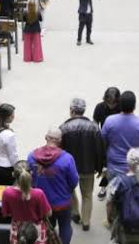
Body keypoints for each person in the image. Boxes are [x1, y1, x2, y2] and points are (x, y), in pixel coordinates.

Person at [59, 98, 104, 231]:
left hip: (69, 168)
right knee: (87, 194)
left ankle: (75, 212)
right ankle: (86, 221)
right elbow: (99, 150)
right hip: (88, 167)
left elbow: (60, 150)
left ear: (72, 110)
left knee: (70, 190)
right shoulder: (94, 127)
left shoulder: (64, 128)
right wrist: (99, 167)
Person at [27, 128, 78, 244]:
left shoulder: (32, 156)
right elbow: (74, 181)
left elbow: (29, 178)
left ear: (46, 138)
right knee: (65, 226)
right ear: (60, 141)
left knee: (44, 228)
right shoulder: (67, 158)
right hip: (62, 203)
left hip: (41, 203)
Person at [105, 148, 139, 244]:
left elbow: (109, 202)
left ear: (128, 163)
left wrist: (109, 218)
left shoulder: (118, 181)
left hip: (124, 227)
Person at [101, 91, 139, 179]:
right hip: (136, 168)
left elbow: (102, 142)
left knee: (114, 187)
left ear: (120, 105)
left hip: (114, 167)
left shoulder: (109, 121)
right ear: (134, 106)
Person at [2, 161, 53, 244]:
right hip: (37, 231)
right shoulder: (39, 193)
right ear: (31, 173)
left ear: (13, 174)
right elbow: (48, 213)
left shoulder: (7, 192)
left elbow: (6, 213)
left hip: (17, 229)